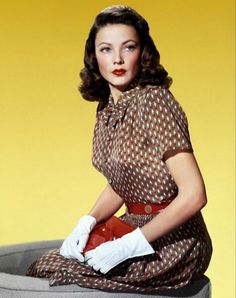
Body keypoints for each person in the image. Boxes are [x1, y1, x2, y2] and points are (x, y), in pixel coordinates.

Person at [27, 5, 212, 292]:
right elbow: (123, 183)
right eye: (106, 49)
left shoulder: (155, 101)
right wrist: (88, 220)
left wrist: (131, 245)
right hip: (131, 225)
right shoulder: (107, 109)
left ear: (143, 53)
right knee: (46, 265)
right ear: (94, 57)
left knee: (62, 275)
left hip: (175, 240)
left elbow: (194, 194)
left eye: (128, 47)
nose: (117, 59)